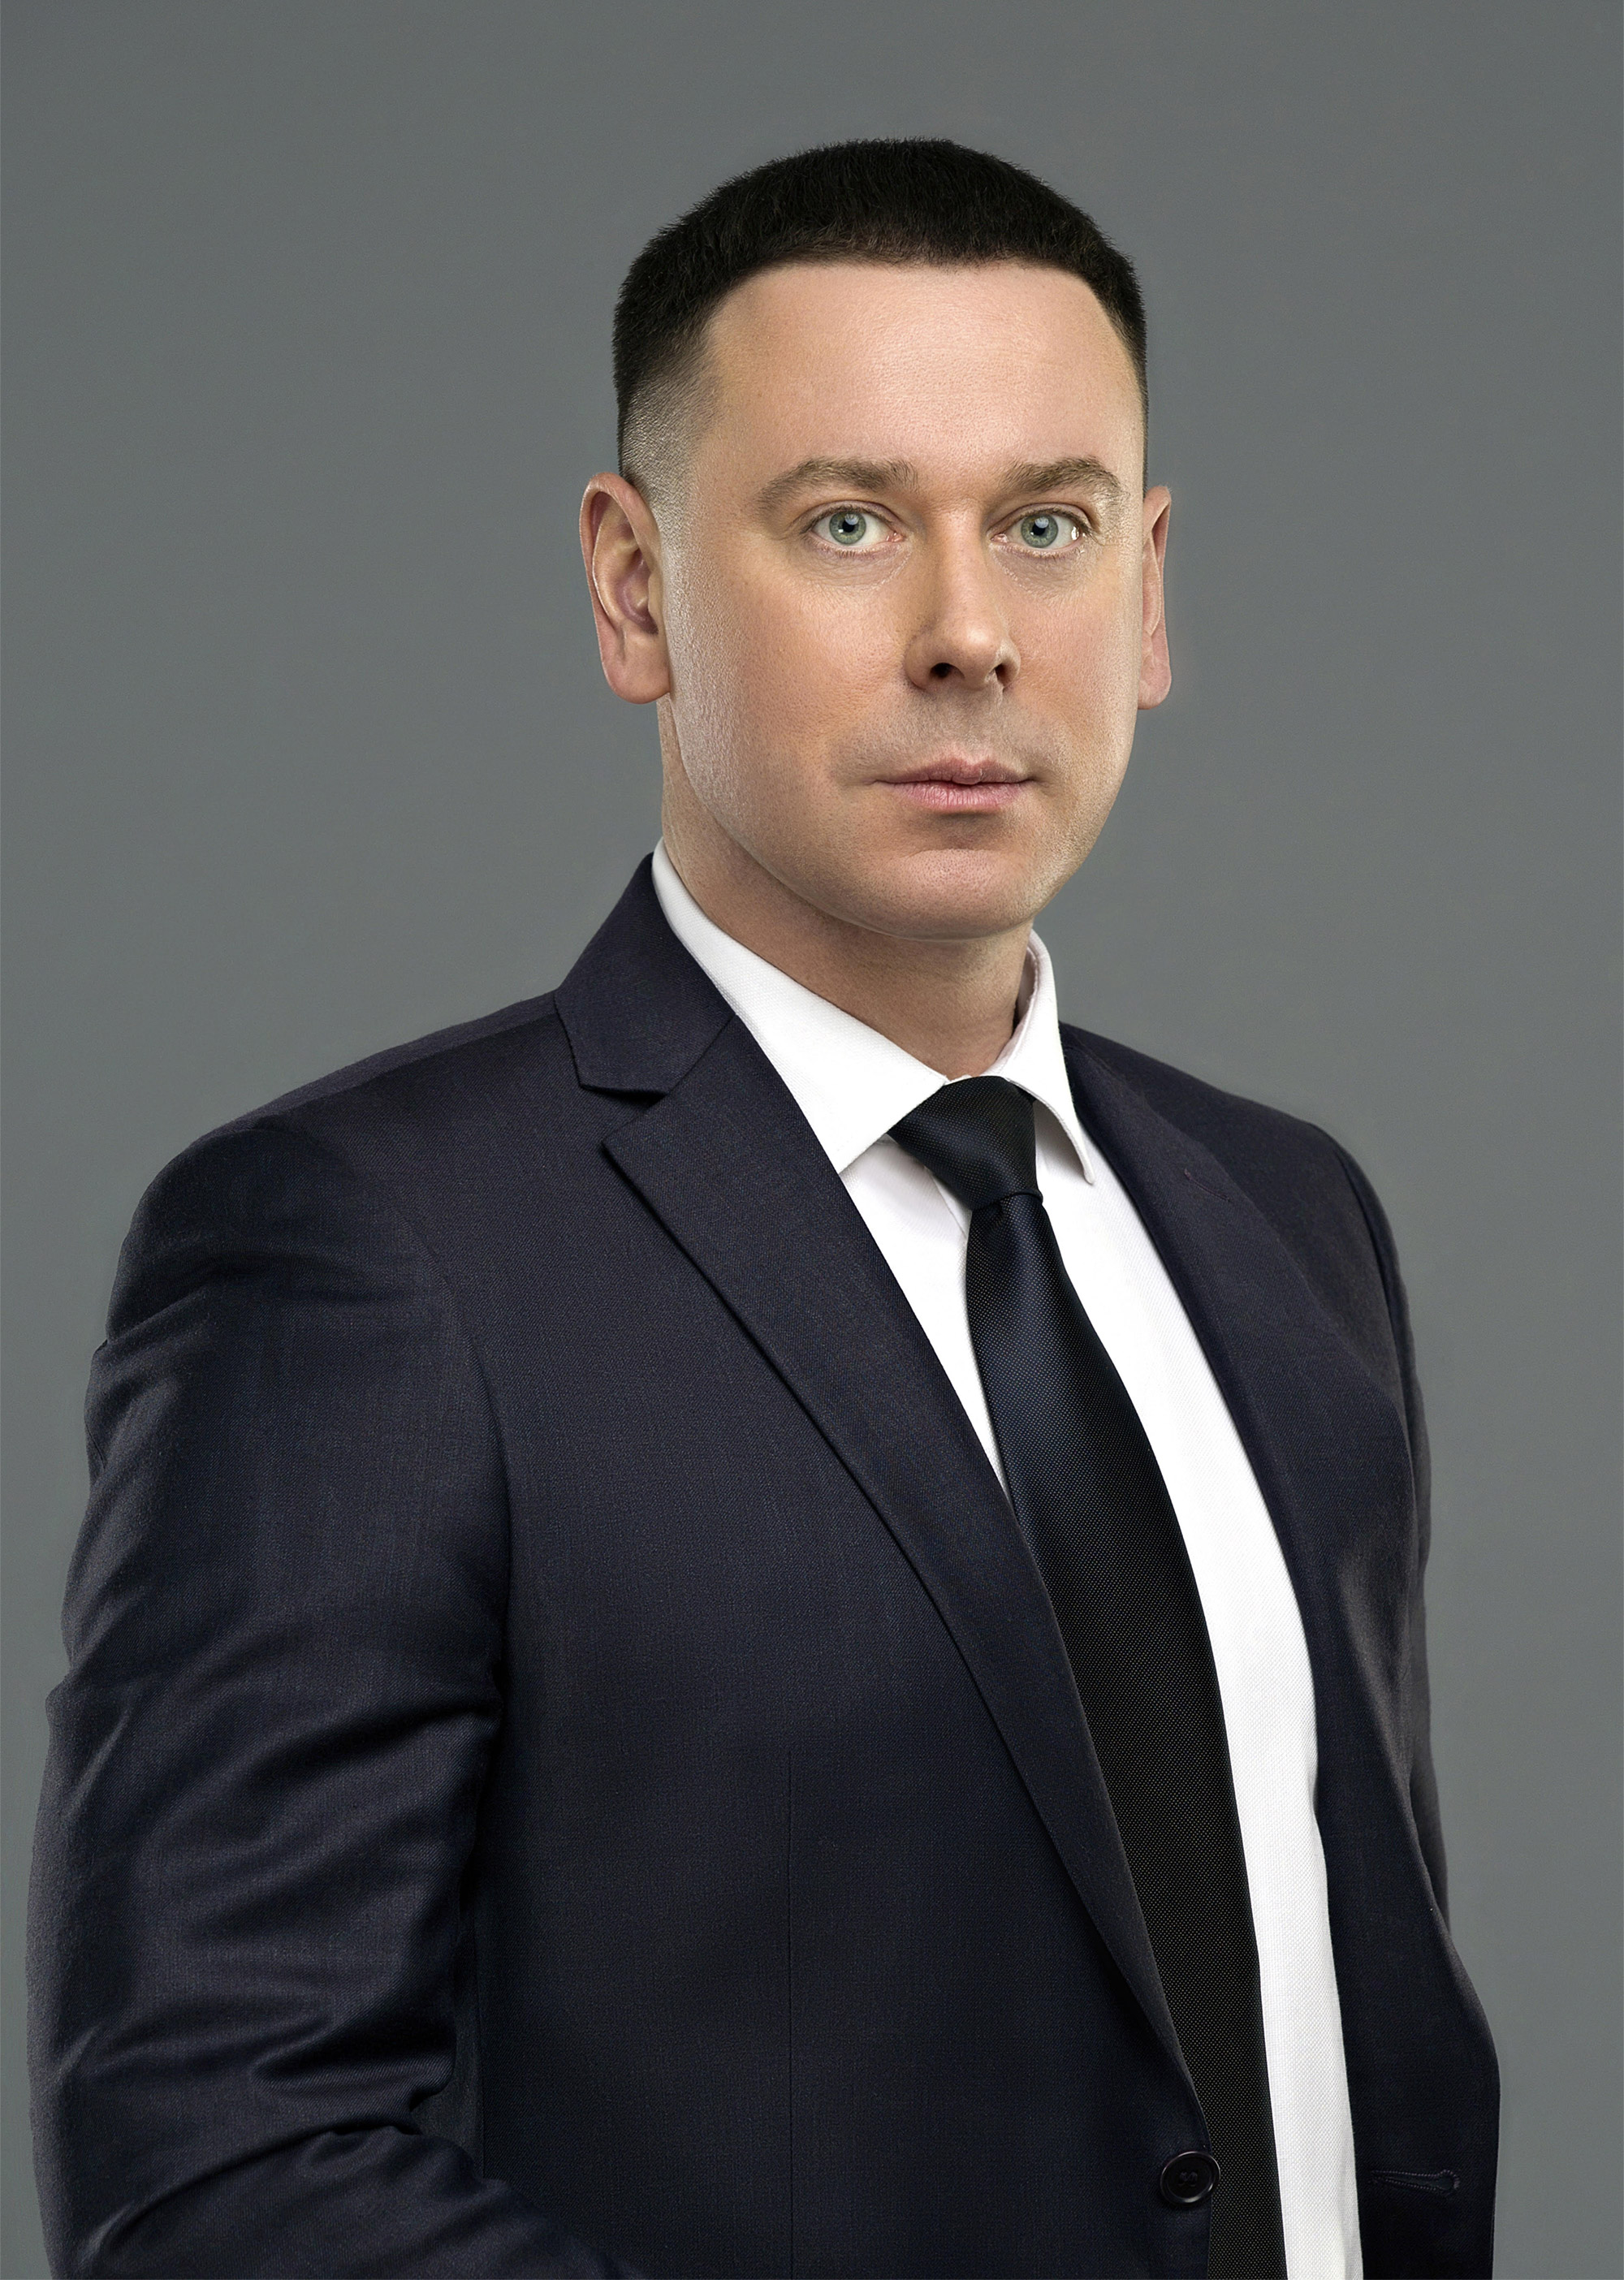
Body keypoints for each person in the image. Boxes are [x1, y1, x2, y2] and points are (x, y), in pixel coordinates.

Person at [28, 139, 1498, 2280]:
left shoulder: (1289, 1222)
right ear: (635, 590)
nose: (970, 635)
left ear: (1151, 594)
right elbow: (218, 2171)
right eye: (847, 524)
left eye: (1050, 526)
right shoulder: (370, 1255)